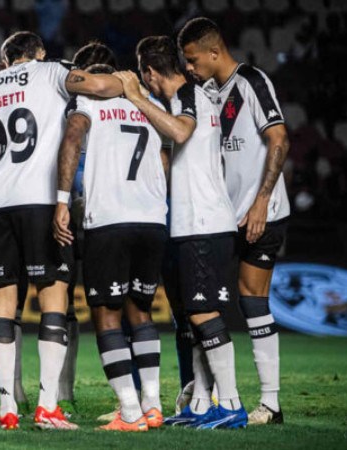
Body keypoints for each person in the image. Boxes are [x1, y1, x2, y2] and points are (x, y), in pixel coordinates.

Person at [0, 31, 130, 430]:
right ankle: (47, 406)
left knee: (3, 308)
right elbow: (98, 85)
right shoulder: (53, 71)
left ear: (5, 61)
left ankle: (6, 408)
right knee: (53, 301)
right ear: (38, 53)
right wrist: (129, 84)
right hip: (40, 200)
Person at [118, 35, 247, 429]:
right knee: (192, 317)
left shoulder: (189, 94)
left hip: (205, 224)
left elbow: (180, 133)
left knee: (205, 315)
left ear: (150, 72)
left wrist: (135, 98)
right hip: (188, 225)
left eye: (145, 78)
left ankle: (232, 405)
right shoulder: (184, 98)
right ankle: (202, 404)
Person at [178, 17, 290, 425]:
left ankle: (271, 403)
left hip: (261, 213)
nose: (189, 67)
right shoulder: (207, 92)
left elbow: (279, 138)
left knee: (252, 300)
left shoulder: (250, 82)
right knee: (205, 306)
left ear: (214, 51)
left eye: (193, 59)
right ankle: (205, 399)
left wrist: (261, 202)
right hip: (223, 218)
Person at [54, 62, 168, 431]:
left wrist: (61, 199)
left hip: (110, 221)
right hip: (152, 219)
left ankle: (130, 413)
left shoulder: (88, 103)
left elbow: (73, 137)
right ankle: (152, 405)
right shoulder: (148, 103)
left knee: (106, 315)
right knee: (141, 312)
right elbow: (164, 160)